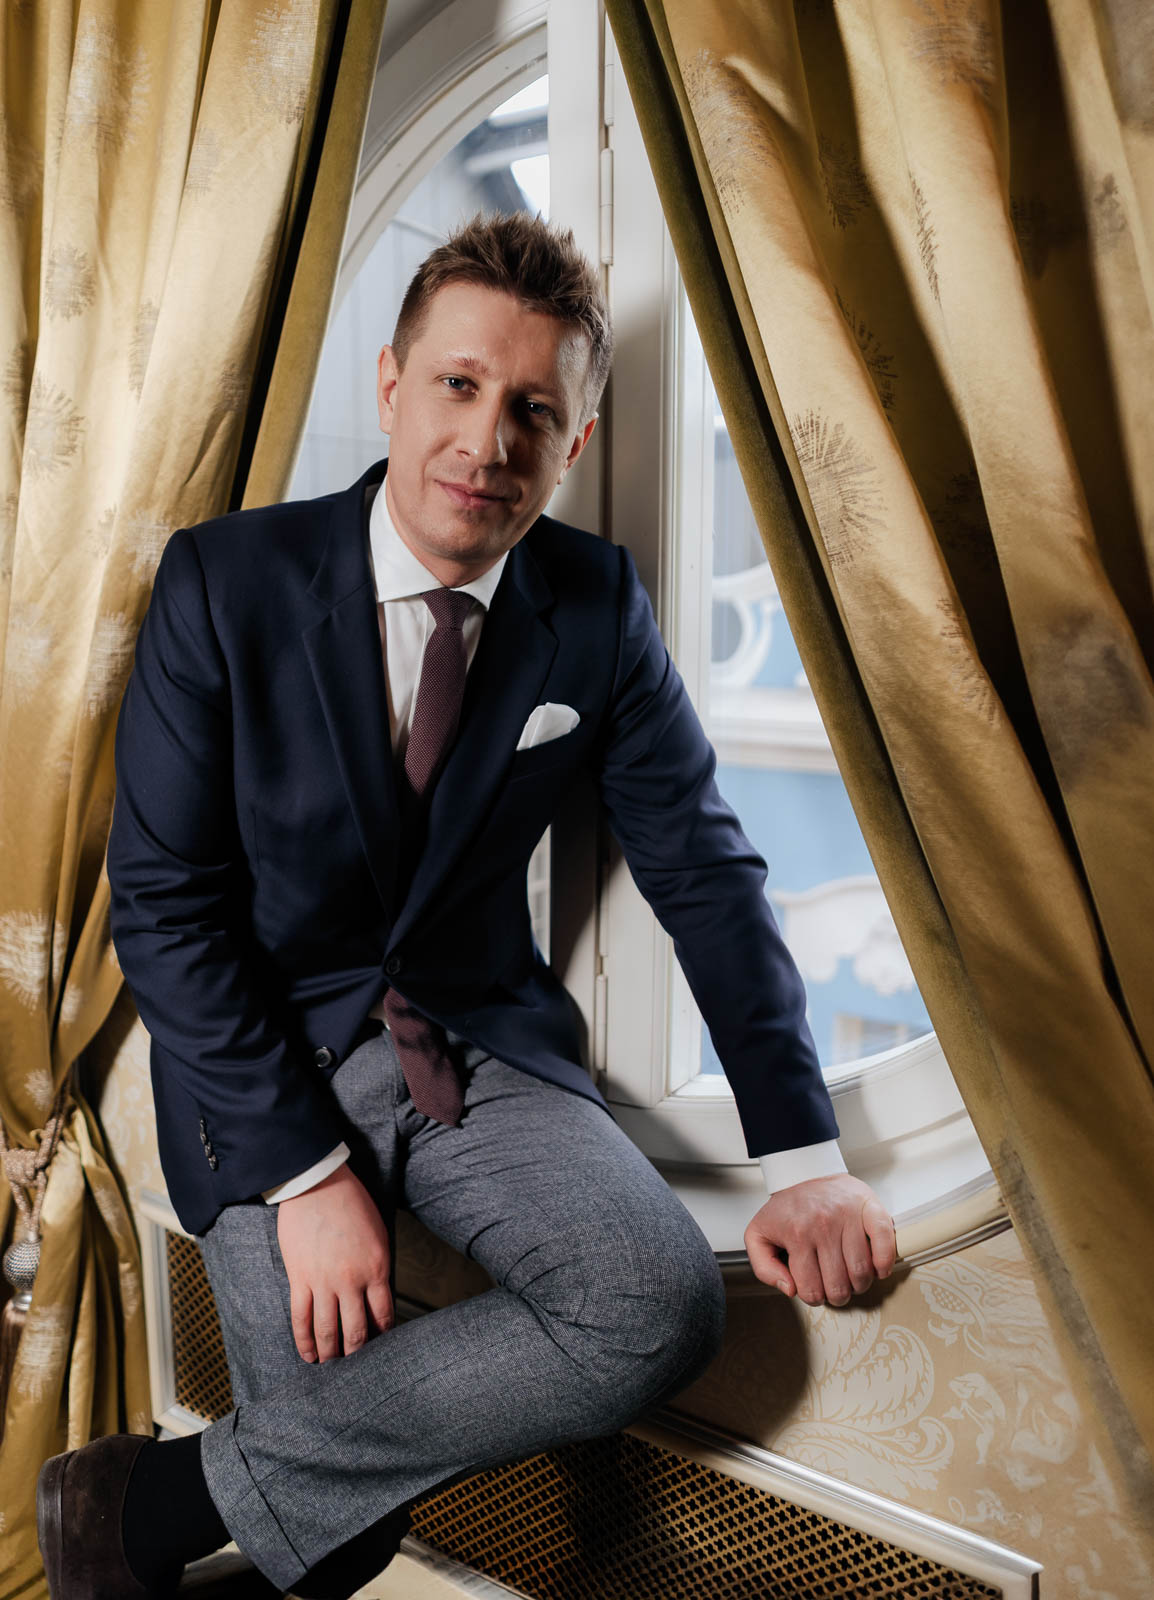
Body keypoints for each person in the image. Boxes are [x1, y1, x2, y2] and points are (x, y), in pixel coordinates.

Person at [37, 214, 896, 1600]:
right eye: (457, 383)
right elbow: (167, 910)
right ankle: (209, 1503)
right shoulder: (225, 580)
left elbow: (702, 867)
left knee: (655, 1305)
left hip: (475, 1039)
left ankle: (151, 1496)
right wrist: (305, 1176)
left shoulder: (595, 606)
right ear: (391, 384)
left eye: (532, 411)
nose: (487, 441)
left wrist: (801, 1150)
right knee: (339, 1539)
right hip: (262, 1052)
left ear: (576, 440)